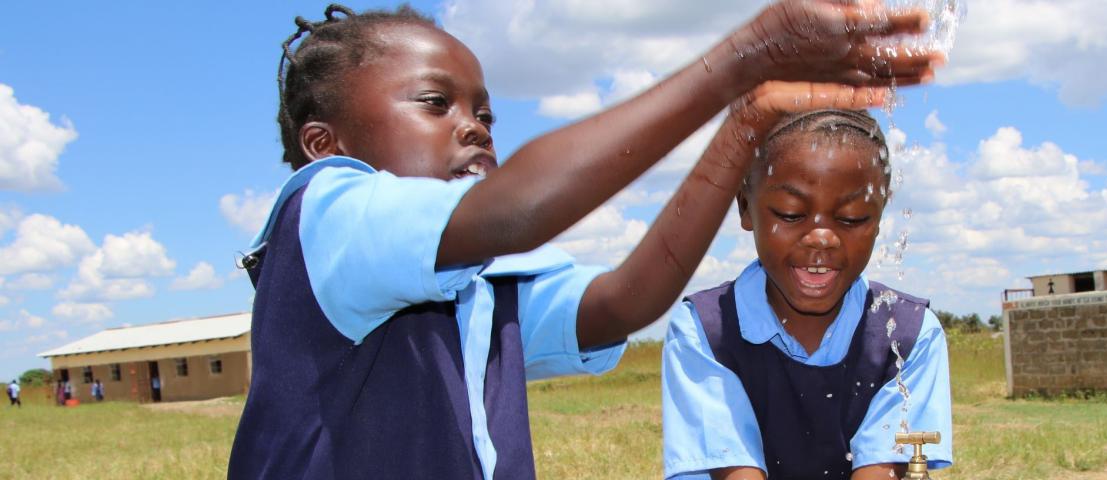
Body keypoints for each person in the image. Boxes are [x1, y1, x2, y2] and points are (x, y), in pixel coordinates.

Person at [230, 3, 939, 479]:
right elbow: (521, 210)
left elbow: (625, 302)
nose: (475, 127)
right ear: (326, 145)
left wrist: (747, 120)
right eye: (434, 103)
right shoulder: (330, 215)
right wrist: (744, 57)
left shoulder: (481, 292)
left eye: (484, 112)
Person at [661, 109, 954, 479]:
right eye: (789, 213)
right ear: (745, 205)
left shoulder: (909, 335)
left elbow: (883, 470)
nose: (821, 238)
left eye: (851, 219)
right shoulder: (706, 331)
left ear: (879, 215)